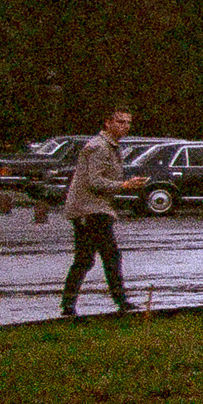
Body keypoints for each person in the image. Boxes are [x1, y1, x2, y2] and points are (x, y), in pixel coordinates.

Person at [61, 106, 136, 320]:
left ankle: (68, 304)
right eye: (120, 122)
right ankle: (120, 301)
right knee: (107, 255)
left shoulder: (110, 146)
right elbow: (94, 181)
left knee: (86, 258)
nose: (125, 126)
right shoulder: (99, 147)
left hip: (95, 208)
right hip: (90, 209)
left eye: (128, 122)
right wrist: (124, 185)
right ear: (107, 123)